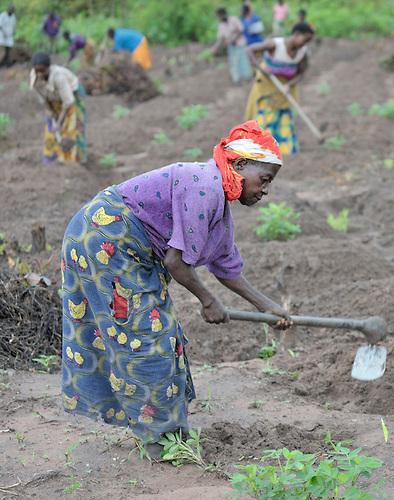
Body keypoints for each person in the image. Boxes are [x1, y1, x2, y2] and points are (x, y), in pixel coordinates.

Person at [60, 120, 292, 451]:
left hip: (125, 249)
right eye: (264, 179)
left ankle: (169, 434)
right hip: (104, 239)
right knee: (146, 338)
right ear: (239, 165)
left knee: (161, 333)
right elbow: (175, 262)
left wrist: (266, 305)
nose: (265, 190)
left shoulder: (216, 201)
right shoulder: (204, 187)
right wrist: (208, 300)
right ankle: (161, 441)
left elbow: (225, 266)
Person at [245, 22, 314, 156]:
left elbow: (301, 73)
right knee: (266, 117)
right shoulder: (275, 45)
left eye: (308, 41)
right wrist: (259, 68)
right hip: (267, 84)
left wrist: (290, 84)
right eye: (305, 40)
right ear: (296, 34)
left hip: (286, 87)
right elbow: (250, 50)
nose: (305, 44)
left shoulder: (302, 53)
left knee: (284, 117)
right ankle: (260, 150)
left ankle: (282, 149)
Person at [29, 52, 87, 164]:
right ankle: (51, 159)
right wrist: (50, 113)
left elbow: (68, 102)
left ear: (48, 68)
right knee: (51, 128)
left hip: (72, 97)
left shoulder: (59, 77)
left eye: (43, 71)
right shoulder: (34, 77)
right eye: (37, 71)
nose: (40, 74)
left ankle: (72, 160)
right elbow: (42, 96)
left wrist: (60, 122)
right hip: (54, 99)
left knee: (71, 127)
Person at [212, 7, 252, 84]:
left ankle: (247, 77)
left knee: (244, 61)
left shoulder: (234, 19)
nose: (218, 18)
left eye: (218, 16)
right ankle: (237, 79)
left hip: (241, 44)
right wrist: (215, 48)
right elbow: (221, 38)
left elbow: (241, 30)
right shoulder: (221, 25)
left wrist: (234, 38)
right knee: (233, 63)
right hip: (231, 47)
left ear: (222, 15)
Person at [0, 4, 15, 68]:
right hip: (2, 35)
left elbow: (14, 26)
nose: (11, 11)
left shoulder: (13, 16)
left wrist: (13, 32)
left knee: (9, 50)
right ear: (8, 9)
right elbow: (0, 25)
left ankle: (8, 64)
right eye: (10, 9)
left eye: (12, 10)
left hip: (9, 36)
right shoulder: (2, 15)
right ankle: (1, 63)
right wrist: (4, 32)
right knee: (2, 50)